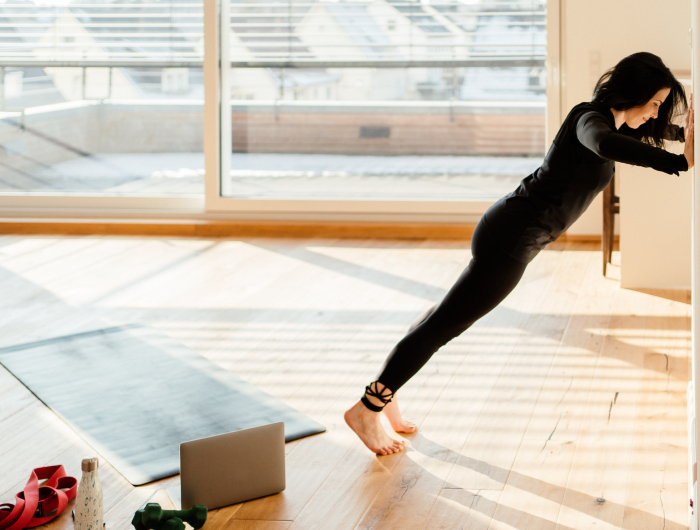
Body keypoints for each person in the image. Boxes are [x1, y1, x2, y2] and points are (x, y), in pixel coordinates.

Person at [344, 51, 695, 455]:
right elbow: (604, 142)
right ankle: (367, 408)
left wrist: (684, 134)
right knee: (444, 326)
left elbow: (650, 132)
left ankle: (388, 390)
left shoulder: (616, 121)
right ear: (632, 94)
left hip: (509, 231)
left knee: (440, 318)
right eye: (653, 103)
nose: (654, 114)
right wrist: (679, 163)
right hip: (509, 241)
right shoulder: (591, 122)